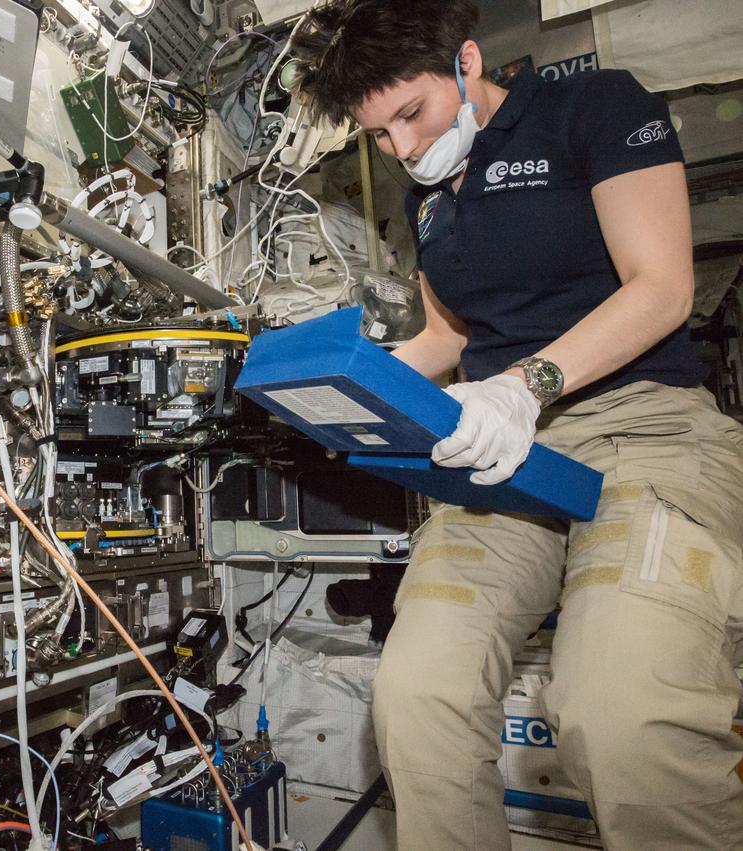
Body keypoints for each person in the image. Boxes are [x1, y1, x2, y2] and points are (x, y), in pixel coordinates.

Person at [292, 1, 743, 848]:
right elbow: (446, 337)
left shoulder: (594, 108)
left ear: (466, 62)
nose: (402, 148)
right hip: (505, 456)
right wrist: (342, 394)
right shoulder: (429, 205)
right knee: (418, 694)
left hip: (641, 428)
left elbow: (661, 287)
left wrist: (523, 385)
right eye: (379, 135)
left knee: (622, 711)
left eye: (411, 114)